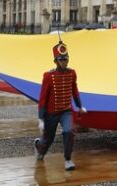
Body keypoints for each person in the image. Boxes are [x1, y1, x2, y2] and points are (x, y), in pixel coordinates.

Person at [34, 41, 87, 171]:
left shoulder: (72, 73)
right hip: (51, 113)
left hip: (66, 111)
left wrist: (79, 106)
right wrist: (41, 118)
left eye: (66, 59)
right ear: (56, 61)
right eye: (61, 59)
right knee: (48, 140)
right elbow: (42, 98)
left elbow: (74, 90)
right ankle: (39, 146)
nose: (64, 62)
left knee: (69, 131)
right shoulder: (48, 76)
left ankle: (68, 159)